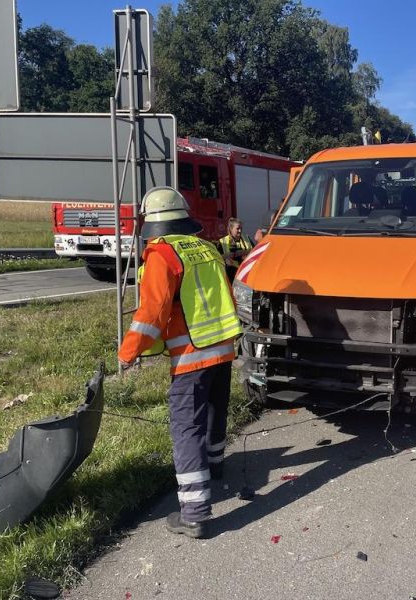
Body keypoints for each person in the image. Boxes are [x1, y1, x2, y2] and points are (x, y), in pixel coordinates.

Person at [118, 186, 241, 539]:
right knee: (217, 409)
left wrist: (128, 352)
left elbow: (151, 314)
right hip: (223, 348)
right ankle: (216, 467)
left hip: (191, 356)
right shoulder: (206, 248)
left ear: (151, 222)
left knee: (186, 428)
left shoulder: (162, 255)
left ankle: (195, 512)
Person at [218, 217, 253, 282]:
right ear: (231, 229)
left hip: (246, 273)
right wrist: (227, 255)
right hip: (230, 275)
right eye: (237, 228)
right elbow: (217, 258)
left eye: (241, 228)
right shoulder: (222, 241)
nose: (240, 231)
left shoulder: (246, 238)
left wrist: (245, 252)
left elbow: (255, 252)